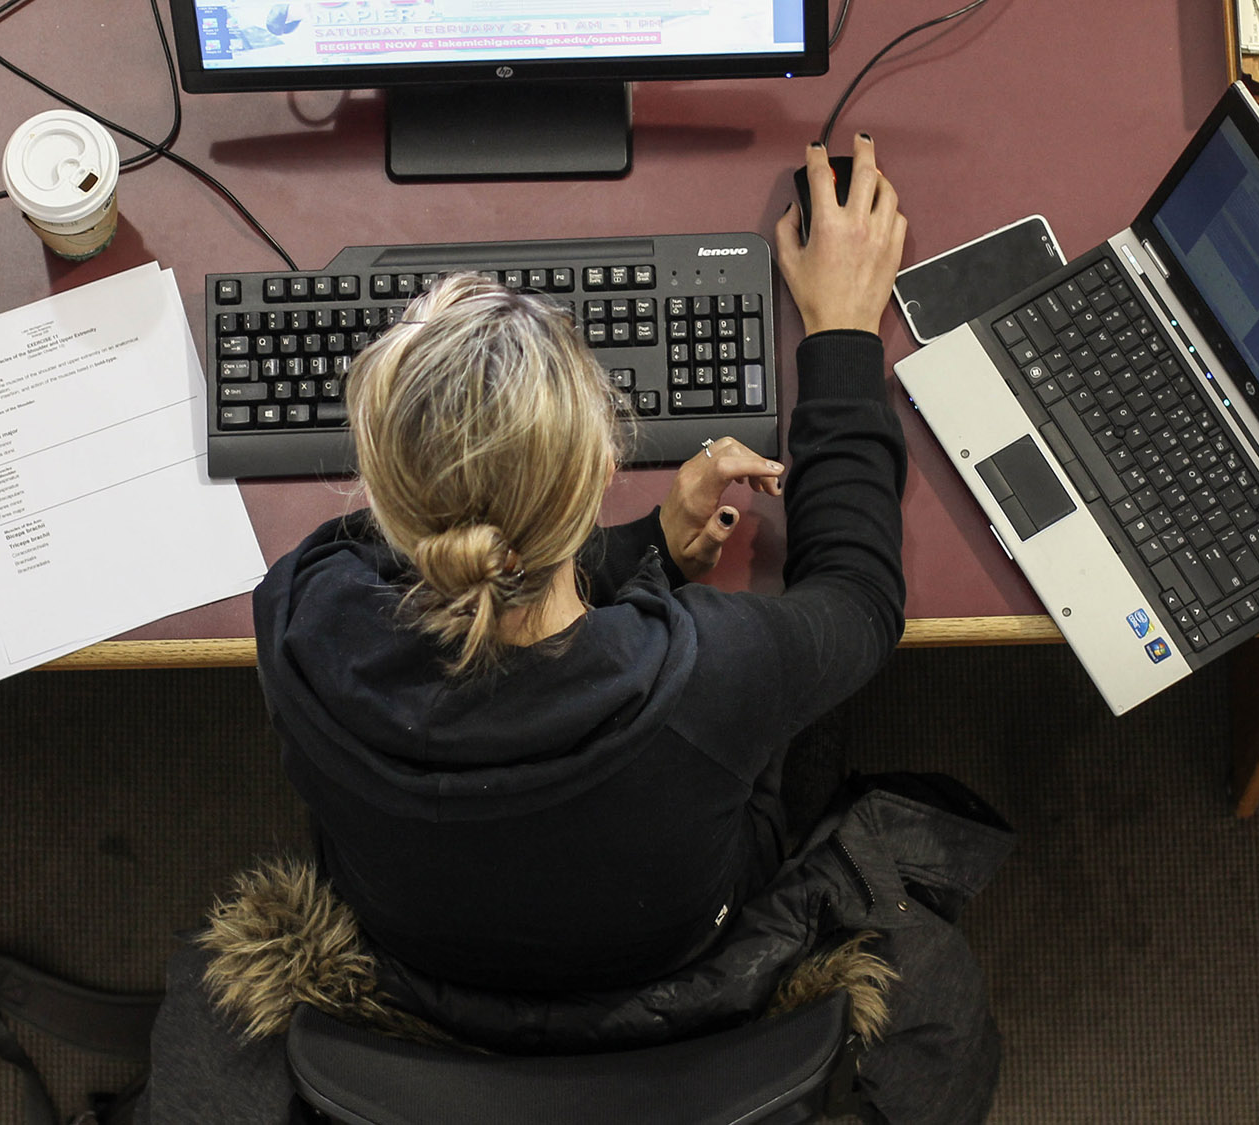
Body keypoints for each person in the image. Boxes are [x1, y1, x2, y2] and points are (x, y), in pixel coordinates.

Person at [249, 138, 912, 993]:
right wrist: (845, 330)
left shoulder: (301, 613)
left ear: (384, 495)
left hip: (415, 941)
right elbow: (862, 600)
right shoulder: (712, 674)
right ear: (604, 468)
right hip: (669, 949)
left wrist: (650, 553)